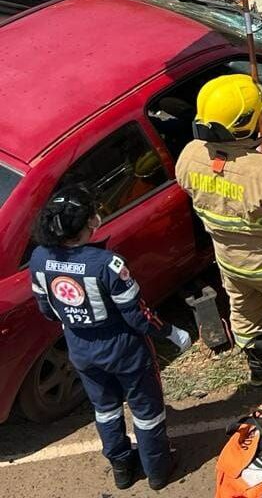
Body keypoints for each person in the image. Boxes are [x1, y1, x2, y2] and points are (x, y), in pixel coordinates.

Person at [29, 186, 191, 491]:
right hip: (126, 351)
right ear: (87, 222)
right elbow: (138, 316)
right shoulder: (107, 264)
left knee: (105, 409)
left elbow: (47, 310)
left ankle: (121, 467)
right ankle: (157, 470)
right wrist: (170, 332)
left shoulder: (39, 258)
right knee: (147, 413)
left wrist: (75, 323)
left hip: (81, 350)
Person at [175, 74, 262, 397]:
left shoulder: (189, 155)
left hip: (230, 264)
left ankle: (259, 365)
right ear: (249, 121)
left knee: (245, 313)